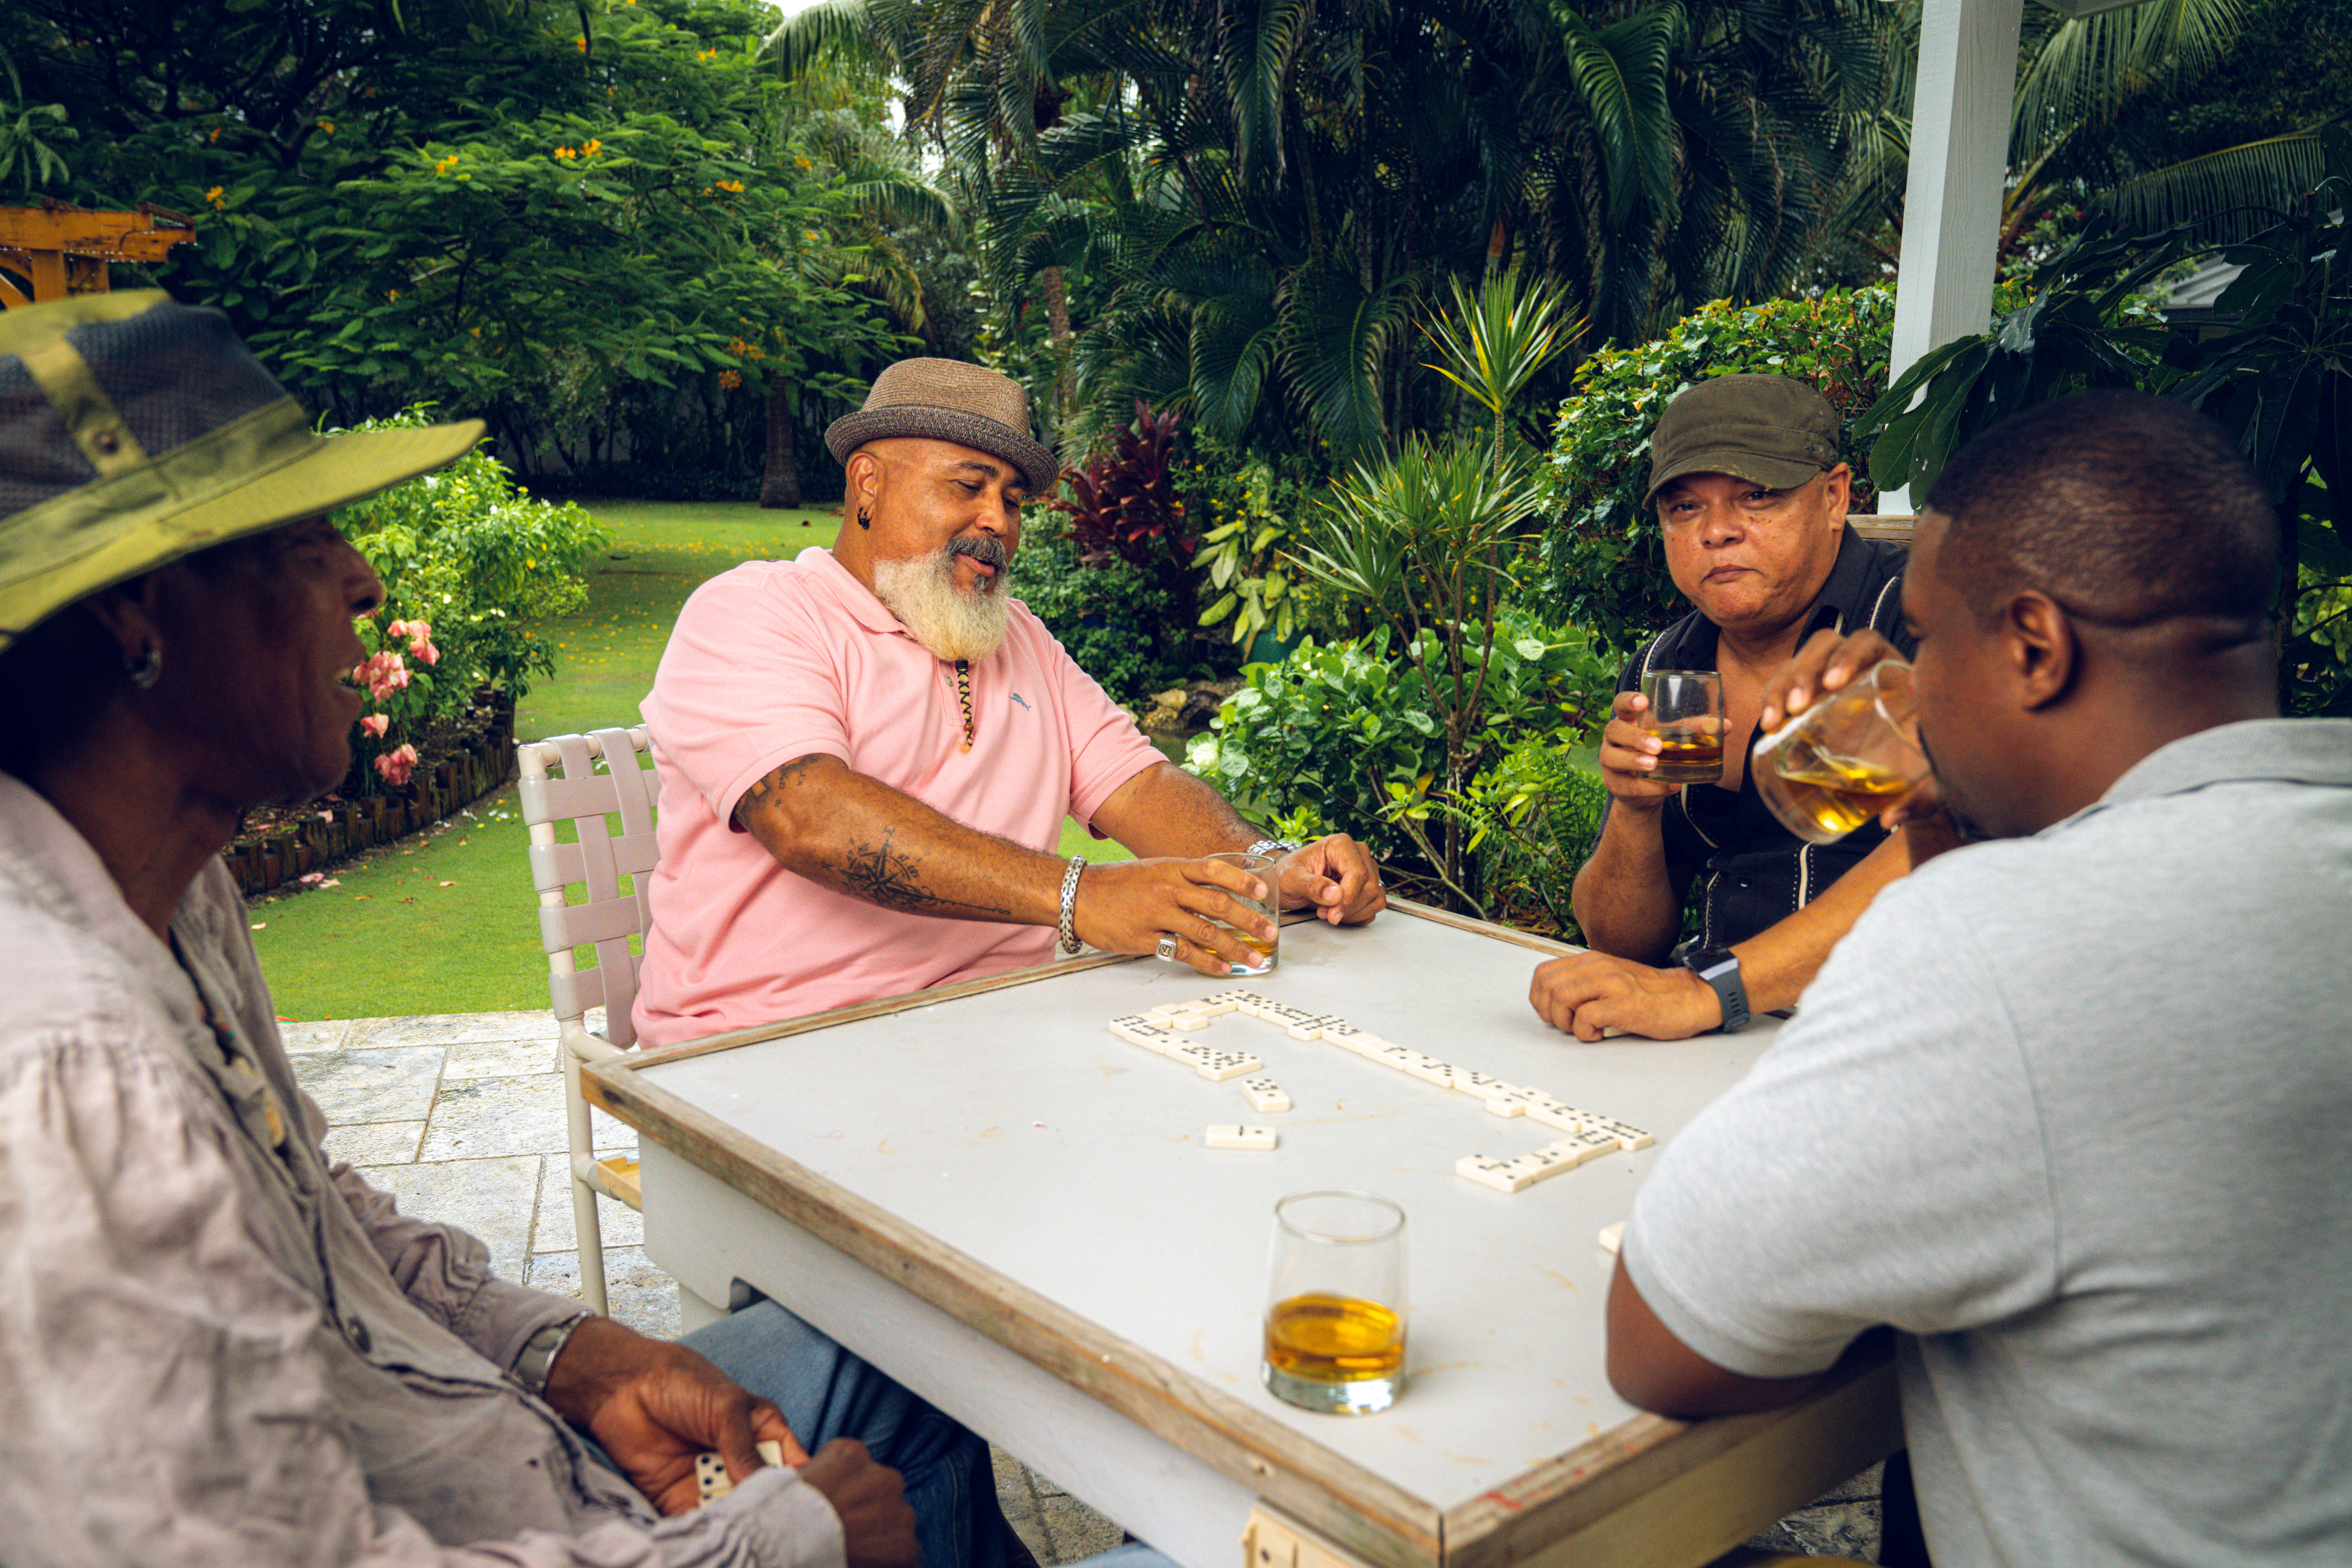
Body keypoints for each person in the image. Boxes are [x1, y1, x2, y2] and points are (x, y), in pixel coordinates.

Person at [0, 292, 1156, 1568]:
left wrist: (575, 1356)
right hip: (600, 1394)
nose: (366, 581)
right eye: (309, 542)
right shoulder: (65, 1063)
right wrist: (778, 1546)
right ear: (139, 615)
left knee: (927, 1373)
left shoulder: (177, 890)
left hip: (483, 1439)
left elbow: (321, 1230)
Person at [1604, 390, 2352, 1564]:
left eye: (1928, 643)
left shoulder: (1999, 944)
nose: (1904, 688)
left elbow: (1664, 1341)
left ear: (2036, 650)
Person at [634, 358, 1384, 1048]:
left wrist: (1266, 867)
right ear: (868, 484)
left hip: (1001, 1028)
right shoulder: (754, 612)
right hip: (768, 1049)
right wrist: (1080, 894)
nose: (998, 520)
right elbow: (810, 820)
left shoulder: (1018, 638)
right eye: (968, 486)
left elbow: (1141, 786)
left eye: (1013, 500)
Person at [1526, 373, 1936, 1043]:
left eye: (1757, 496)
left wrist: (1706, 993)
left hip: (1901, 1037)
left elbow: (1950, 854)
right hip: (1730, 1042)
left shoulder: (1920, 622)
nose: (1718, 532)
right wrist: (1635, 809)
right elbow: (1621, 943)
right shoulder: (1667, 666)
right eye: (1686, 509)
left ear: (1835, 498)